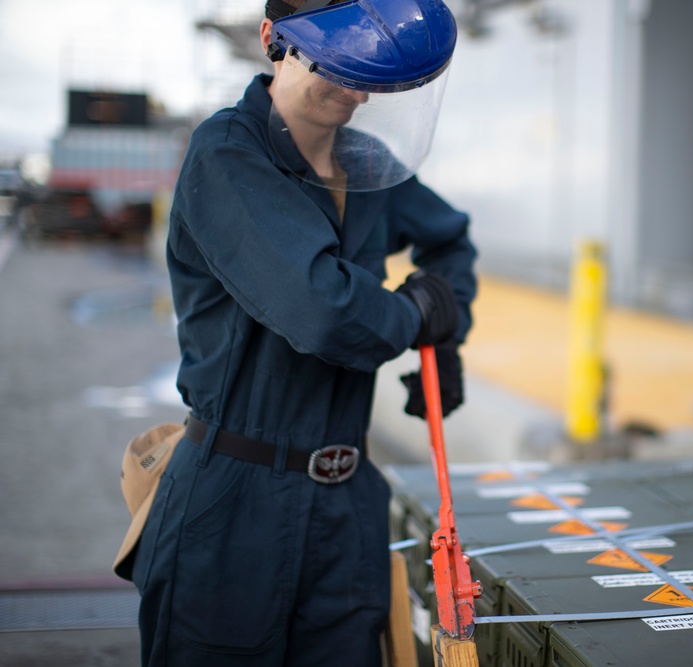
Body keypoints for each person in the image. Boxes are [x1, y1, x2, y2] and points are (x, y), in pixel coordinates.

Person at [123, 0, 477, 664]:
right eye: (338, 67)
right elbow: (324, 310)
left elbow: (450, 240)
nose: (356, 90)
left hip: (347, 506)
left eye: (368, 72)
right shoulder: (226, 156)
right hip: (232, 503)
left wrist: (447, 323)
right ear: (271, 41)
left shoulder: (370, 166)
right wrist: (416, 315)